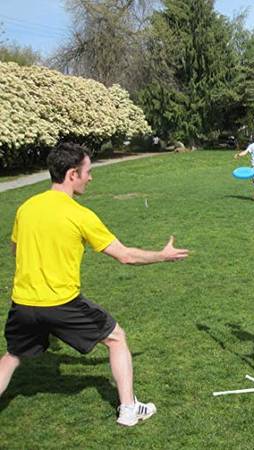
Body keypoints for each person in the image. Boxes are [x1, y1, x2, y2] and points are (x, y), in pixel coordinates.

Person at [0, 143, 189, 427]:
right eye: (88, 171)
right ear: (72, 173)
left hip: (23, 304)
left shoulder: (26, 207)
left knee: (13, 356)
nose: (91, 177)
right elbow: (125, 256)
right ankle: (129, 409)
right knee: (116, 338)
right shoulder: (80, 215)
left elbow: (16, 250)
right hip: (61, 303)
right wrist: (161, 256)